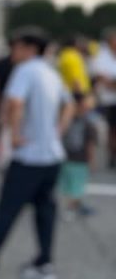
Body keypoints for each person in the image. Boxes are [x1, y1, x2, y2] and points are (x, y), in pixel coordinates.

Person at [0, 27, 73, 279]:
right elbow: (70, 104)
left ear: (30, 48)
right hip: (52, 155)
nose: (13, 52)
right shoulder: (51, 72)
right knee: (45, 210)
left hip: (29, 156)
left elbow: (15, 103)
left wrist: (15, 134)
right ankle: (44, 263)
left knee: (7, 208)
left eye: (17, 46)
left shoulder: (25, 71)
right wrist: (58, 131)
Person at [59, 92, 98, 220]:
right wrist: (91, 160)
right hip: (80, 159)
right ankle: (71, 208)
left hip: (65, 157)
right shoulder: (88, 122)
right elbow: (90, 144)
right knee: (77, 186)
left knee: (67, 184)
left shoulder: (64, 119)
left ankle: (76, 205)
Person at [90, 27, 116, 169]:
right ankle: (112, 155)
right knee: (112, 129)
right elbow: (100, 76)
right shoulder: (101, 56)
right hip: (108, 99)